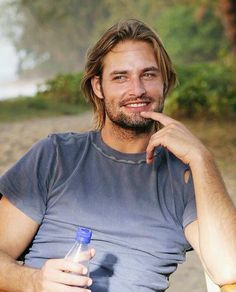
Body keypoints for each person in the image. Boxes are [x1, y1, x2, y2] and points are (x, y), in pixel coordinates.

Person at [0, 19, 235, 292]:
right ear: (98, 87)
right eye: (120, 77)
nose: (137, 90)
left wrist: (202, 158)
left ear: (164, 82)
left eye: (148, 74)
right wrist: (35, 282)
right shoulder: (55, 156)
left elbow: (229, 267)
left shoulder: (184, 178)